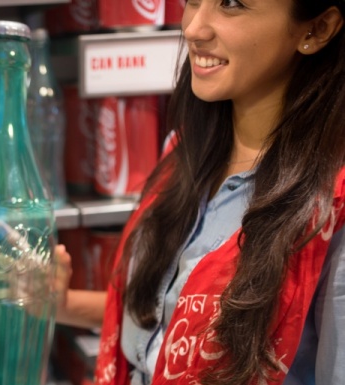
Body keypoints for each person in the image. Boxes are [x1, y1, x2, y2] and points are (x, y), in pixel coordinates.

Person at [56, 0, 345, 384]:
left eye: (231, 4)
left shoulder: (330, 210)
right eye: (193, 0)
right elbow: (169, 319)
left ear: (317, 29)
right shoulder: (182, 156)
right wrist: (61, 304)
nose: (194, 28)